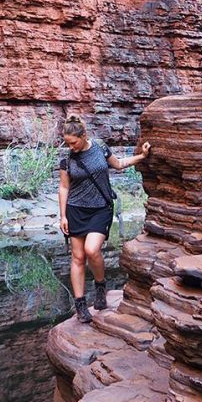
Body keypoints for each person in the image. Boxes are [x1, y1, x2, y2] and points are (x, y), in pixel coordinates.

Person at [58, 115, 151, 324]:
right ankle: (81, 305)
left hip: (101, 208)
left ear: (84, 135)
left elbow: (119, 164)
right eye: (67, 143)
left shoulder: (100, 147)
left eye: (73, 142)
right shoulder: (67, 160)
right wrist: (63, 216)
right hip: (75, 210)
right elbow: (64, 188)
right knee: (77, 257)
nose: (70, 147)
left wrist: (142, 156)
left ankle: (100, 286)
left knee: (92, 250)